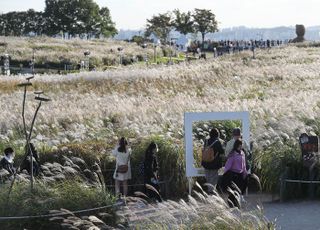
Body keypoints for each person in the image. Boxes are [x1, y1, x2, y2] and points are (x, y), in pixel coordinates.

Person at [221, 139, 248, 203]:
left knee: (243, 185)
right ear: (236, 146)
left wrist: (245, 171)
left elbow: (244, 163)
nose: (241, 147)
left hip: (241, 173)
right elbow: (228, 164)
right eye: (240, 145)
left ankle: (241, 197)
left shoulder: (242, 153)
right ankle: (231, 201)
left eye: (241, 145)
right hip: (233, 173)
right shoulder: (232, 154)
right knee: (234, 189)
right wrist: (225, 172)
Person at [201, 128, 224, 193]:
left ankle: (209, 190)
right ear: (217, 134)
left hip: (206, 162)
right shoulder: (218, 142)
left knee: (208, 177)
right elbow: (221, 151)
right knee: (214, 177)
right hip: (214, 163)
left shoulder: (206, 141)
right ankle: (211, 191)